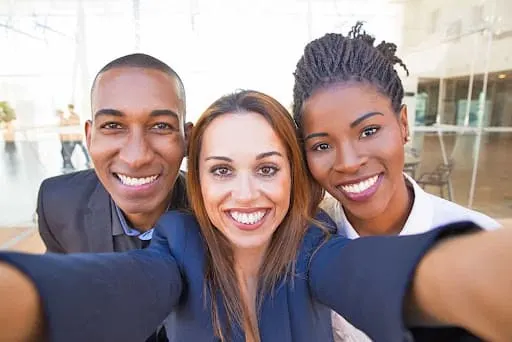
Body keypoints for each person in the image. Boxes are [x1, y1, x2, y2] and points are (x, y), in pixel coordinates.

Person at [1, 90, 512, 342]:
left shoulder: (315, 244)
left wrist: (473, 276)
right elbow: (113, 289)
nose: (245, 195)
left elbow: (382, 275)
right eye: (221, 170)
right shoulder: (178, 239)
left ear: (293, 175)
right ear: (197, 180)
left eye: (267, 168)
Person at [291, 22, 502, 341]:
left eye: (369, 131)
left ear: (403, 124)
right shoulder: (306, 244)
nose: (349, 163)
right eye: (322, 146)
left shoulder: (477, 237)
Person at [38, 53, 192, 254]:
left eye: (161, 126)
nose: (136, 158)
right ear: (90, 136)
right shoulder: (58, 203)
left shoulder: (216, 216)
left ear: (187, 139)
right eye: (112, 125)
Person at [65, 103, 92, 168]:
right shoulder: (71, 116)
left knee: (74, 149)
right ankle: (68, 162)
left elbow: (73, 125)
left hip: (76, 137)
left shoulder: (73, 116)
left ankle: (68, 162)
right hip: (75, 136)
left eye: (70, 109)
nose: (69, 110)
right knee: (80, 149)